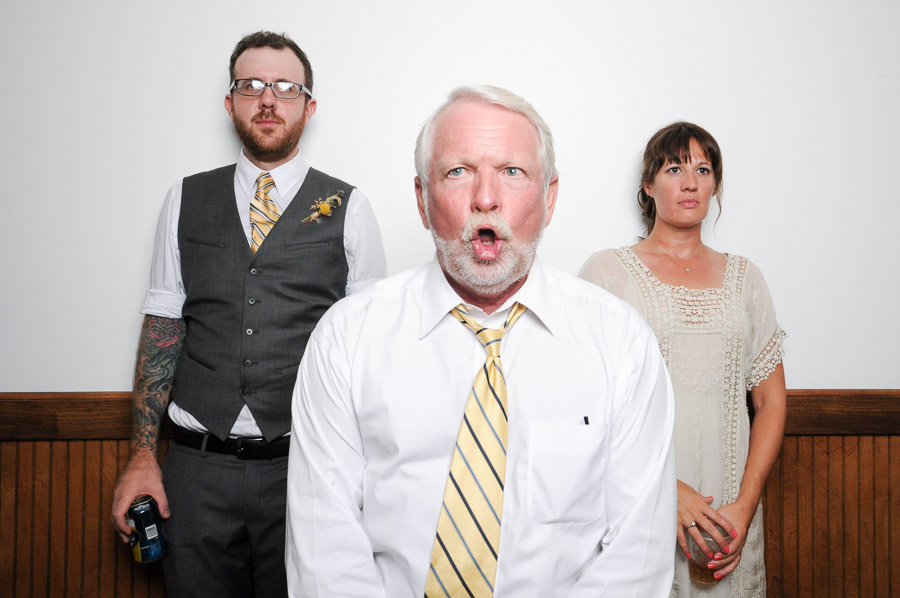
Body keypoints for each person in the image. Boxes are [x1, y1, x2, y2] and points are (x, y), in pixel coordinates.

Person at [285, 85, 677, 598]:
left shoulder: (621, 344)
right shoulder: (346, 339)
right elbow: (325, 550)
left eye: (512, 172)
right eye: (457, 172)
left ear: (550, 196)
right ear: (423, 200)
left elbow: (637, 556)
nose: (485, 198)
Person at [110, 31, 386, 598]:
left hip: (305, 471)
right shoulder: (185, 198)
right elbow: (163, 324)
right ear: (230, 102)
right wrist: (142, 457)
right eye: (251, 85)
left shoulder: (351, 207)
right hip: (196, 470)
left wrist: (367, 476)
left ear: (308, 106)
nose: (268, 99)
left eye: (285, 87)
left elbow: (371, 351)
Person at [579, 122, 786, 597]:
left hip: (731, 512)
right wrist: (665, 490)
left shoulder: (745, 277)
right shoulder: (606, 273)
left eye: (703, 169)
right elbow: (588, 408)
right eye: (674, 168)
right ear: (648, 186)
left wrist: (745, 506)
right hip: (638, 502)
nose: (690, 181)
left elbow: (771, 402)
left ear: (715, 185)